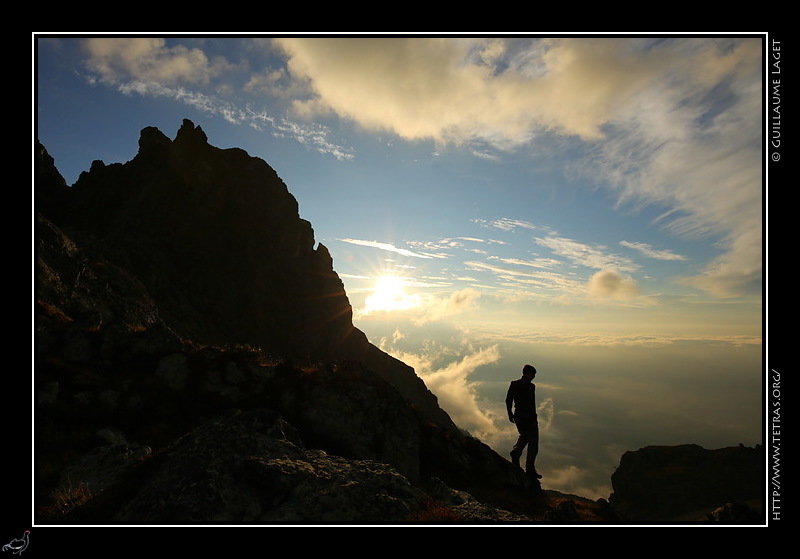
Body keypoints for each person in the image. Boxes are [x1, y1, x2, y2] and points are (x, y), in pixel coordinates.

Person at [506, 364, 541, 479]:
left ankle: (516, 451)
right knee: (533, 443)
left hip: (518, 415)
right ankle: (530, 469)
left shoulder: (514, 384)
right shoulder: (531, 387)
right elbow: (532, 404)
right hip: (528, 417)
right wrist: (534, 420)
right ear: (530, 374)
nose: (534, 377)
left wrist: (510, 413)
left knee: (524, 435)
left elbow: (508, 399)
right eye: (534, 374)